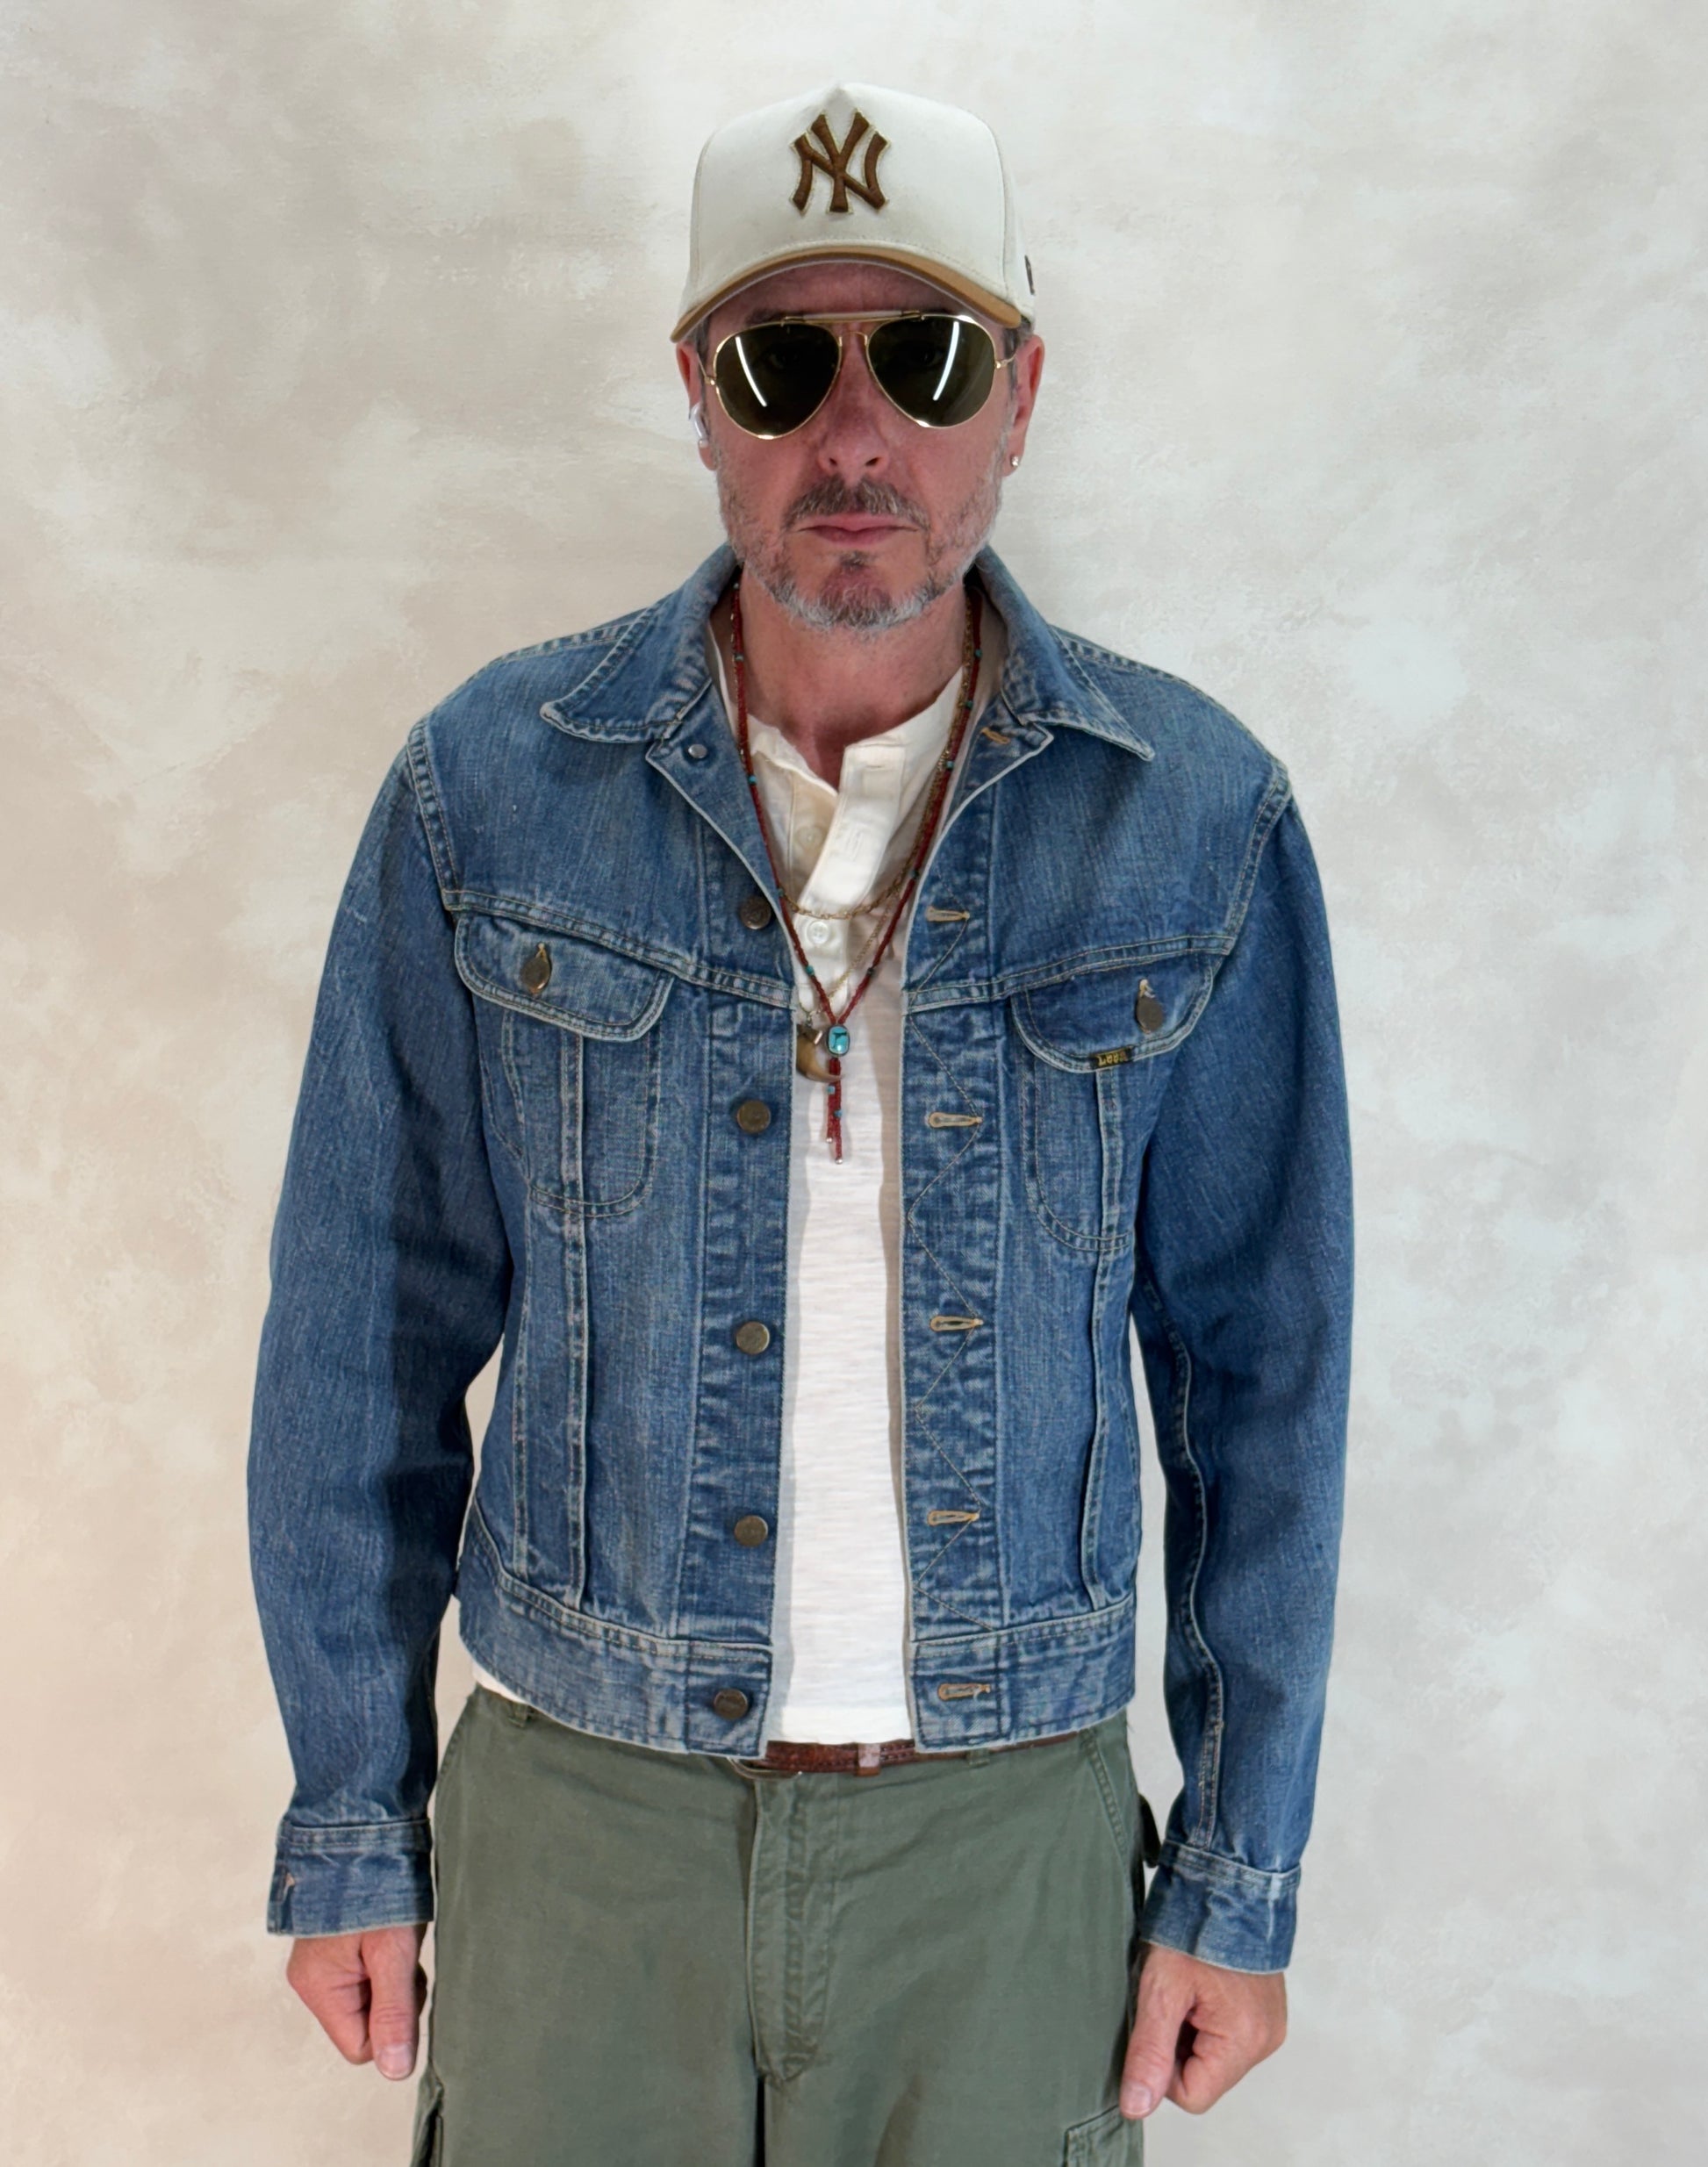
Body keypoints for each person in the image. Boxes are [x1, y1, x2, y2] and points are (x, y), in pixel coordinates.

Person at [248, 81, 1353, 2167]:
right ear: (697, 391)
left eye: (923, 360)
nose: (855, 434)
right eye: (782, 363)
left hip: (1004, 1856)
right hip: (579, 1830)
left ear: (1019, 390)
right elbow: (359, 1337)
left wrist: (1240, 1864)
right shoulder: (488, 793)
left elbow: (1261, 1388)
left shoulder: (1192, 818)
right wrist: (349, 1817)